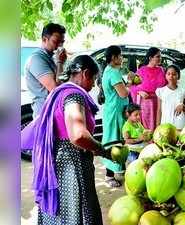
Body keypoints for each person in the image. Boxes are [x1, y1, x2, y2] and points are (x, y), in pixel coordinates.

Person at [29, 55, 104, 224]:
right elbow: (78, 135)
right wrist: (101, 149)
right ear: (85, 74)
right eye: (92, 79)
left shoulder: (58, 93)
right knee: (76, 212)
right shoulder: (73, 96)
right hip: (72, 165)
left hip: (57, 164)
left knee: (59, 215)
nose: (92, 85)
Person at [100, 45, 131, 187]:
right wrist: (130, 84)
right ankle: (109, 175)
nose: (122, 58)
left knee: (117, 140)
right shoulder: (113, 72)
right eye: (120, 56)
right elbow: (123, 93)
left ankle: (116, 171)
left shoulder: (110, 71)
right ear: (114, 57)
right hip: (114, 113)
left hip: (114, 111)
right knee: (113, 142)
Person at [25, 23, 68, 118]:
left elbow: (63, 81)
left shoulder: (51, 57)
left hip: (54, 111)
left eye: (62, 42)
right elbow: (56, 89)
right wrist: (60, 63)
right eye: (56, 42)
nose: (59, 46)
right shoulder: (37, 59)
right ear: (45, 39)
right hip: (44, 114)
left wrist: (61, 63)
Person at [130, 47, 167, 130]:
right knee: (148, 129)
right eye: (158, 56)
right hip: (147, 104)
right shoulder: (141, 71)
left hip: (160, 103)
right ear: (150, 58)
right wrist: (139, 92)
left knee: (159, 128)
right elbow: (132, 87)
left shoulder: (161, 70)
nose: (160, 59)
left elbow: (166, 85)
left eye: (160, 57)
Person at [156, 65, 185, 130]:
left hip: (179, 125)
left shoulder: (183, 91)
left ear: (178, 76)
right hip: (165, 124)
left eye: (174, 74)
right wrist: (157, 126)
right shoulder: (161, 91)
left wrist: (183, 106)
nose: (171, 76)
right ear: (165, 76)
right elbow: (159, 110)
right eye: (168, 74)